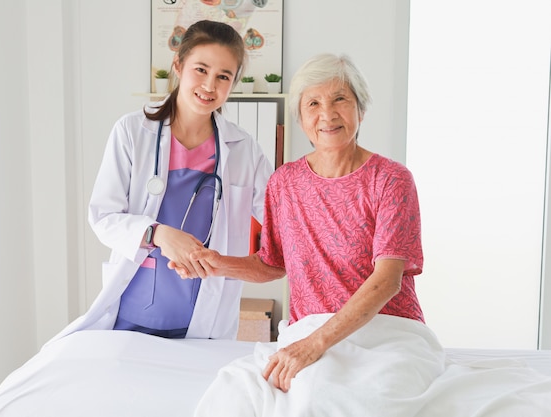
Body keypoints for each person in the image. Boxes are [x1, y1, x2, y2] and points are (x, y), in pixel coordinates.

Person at [176, 52, 424, 392]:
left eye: (340, 99)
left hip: (385, 330)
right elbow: (272, 264)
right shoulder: (284, 183)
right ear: (301, 118)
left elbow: (387, 281)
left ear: (360, 110)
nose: (327, 114)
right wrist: (218, 264)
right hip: (309, 332)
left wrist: (314, 345)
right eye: (313, 104)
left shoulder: (391, 180)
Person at [47, 20, 273, 344]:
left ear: (234, 82)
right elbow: (103, 217)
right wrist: (159, 234)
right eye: (201, 69)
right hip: (131, 316)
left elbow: (281, 218)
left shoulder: (243, 149)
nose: (210, 85)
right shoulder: (132, 132)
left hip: (204, 323)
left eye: (224, 76)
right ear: (179, 66)